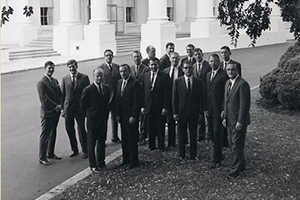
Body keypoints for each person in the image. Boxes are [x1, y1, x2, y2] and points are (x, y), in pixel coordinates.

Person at [222, 63, 250, 178]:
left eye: (232, 70)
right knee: (233, 143)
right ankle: (242, 165)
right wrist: (224, 117)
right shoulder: (227, 83)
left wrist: (240, 121)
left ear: (237, 70)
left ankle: (234, 171)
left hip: (238, 121)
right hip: (229, 119)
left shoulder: (242, 84)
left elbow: (244, 106)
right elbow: (226, 101)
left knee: (236, 145)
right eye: (228, 70)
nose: (230, 72)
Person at [173, 60, 204, 160]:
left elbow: (200, 99)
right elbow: (174, 98)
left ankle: (193, 154)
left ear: (192, 68)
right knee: (181, 134)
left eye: (190, 68)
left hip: (194, 112)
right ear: (182, 69)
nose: (188, 70)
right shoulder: (177, 81)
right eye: (186, 68)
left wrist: (200, 112)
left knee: (193, 134)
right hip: (181, 112)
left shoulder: (198, 82)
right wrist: (175, 112)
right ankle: (181, 154)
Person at [81, 68, 110, 173]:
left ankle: (101, 162)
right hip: (92, 121)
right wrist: (90, 115)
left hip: (103, 120)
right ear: (93, 77)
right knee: (91, 143)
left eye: (101, 76)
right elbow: (83, 105)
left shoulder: (106, 88)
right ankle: (93, 165)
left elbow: (107, 103)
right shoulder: (88, 89)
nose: (99, 78)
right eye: (97, 76)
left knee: (102, 142)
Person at [61, 59, 90, 159]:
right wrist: (62, 109)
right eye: (69, 67)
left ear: (76, 66)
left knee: (81, 129)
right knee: (70, 129)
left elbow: (87, 94)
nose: (71, 68)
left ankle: (85, 149)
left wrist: (86, 108)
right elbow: (63, 95)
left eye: (73, 66)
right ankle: (74, 149)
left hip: (79, 108)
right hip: (68, 108)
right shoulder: (65, 79)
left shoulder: (84, 77)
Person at [141, 57, 170, 151]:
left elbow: (167, 93)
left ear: (158, 65)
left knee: (160, 125)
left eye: (155, 64)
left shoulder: (164, 76)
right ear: (149, 65)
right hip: (149, 106)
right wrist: (143, 106)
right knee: (150, 126)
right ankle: (152, 145)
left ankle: (161, 145)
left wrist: (165, 107)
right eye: (151, 65)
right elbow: (143, 92)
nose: (153, 66)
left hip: (160, 106)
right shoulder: (145, 76)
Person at [205, 54, 228, 168]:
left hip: (219, 109)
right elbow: (207, 93)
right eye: (211, 61)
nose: (213, 63)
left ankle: (217, 159)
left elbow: (226, 94)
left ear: (219, 62)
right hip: (210, 109)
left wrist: (224, 109)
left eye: (215, 61)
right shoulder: (208, 74)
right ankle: (217, 153)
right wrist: (206, 108)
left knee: (218, 133)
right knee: (212, 134)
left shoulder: (224, 75)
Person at [37, 61, 62, 166]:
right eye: (49, 68)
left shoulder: (55, 81)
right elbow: (44, 99)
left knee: (53, 133)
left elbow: (60, 94)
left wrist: (60, 104)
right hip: (47, 113)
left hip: (55, 112)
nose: (51, 70)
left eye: (52, 68)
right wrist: (56, 106)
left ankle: (50, 153)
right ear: (45, 69)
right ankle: (42, 157)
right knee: (45, 134)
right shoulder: (41, 83)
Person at [116, 64, 141, 169]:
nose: (123, 73)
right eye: (121, 71)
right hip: (122, 116)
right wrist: (117, 114)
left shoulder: (135, 83)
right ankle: (125, 159)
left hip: (131, 116)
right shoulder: (119, 83)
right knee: (124, 139)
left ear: (129, 71)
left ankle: (133, 160)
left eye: (125, 71)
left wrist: (133, 115)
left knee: (132, 139)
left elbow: (137, 101)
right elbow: (118, 100)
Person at [98, 49, 121, 143]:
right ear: (104, 57)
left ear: (113, 56)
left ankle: (115, 136)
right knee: (104, 119)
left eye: (110, 55)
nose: (109, 57)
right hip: (105, 98)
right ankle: (102, 139)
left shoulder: (117, 67)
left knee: (115, 118)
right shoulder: (100, 68)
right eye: (107, 55)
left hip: (115, 97)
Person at [163, 52, 184, 148]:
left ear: (179, 60)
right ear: (170, 59)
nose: (174, 60)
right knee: (170, 120)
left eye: (176, 58)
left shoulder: (182, 71)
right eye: (173, 58)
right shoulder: (165, 71)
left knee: (181, 121)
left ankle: (183, 141)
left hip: (179, 100)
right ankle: (171, 143)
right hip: (168, 99)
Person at [130, 50, 150, 145]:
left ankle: (143, 135)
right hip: (133, 96)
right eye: (134, 57)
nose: (136, 59)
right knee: (135, 116)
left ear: (141, 57)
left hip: (142, 95)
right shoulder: (131, 69)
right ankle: (135, 135)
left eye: (138, 56)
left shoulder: (146, 69)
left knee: (143, 118)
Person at [192, 48, 211, 141]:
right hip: (197, 94)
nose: (197, 56)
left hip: (206, 93)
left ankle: (210, 134)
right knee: (199, 115)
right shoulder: (193, 66)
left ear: (202, 54)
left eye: (199, 54)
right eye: (195, 54)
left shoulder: (208, 65)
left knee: (208, 114)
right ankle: (201, 135)